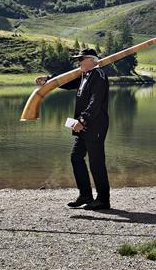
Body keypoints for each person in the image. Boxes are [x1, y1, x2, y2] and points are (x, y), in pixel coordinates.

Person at [36, 47, 110, 210]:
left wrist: (83, 120)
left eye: (81, 59)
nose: (78, 62)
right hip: (83, 125)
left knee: (96, 161)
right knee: (76, 157)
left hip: (95, 125)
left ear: (91, 60)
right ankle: (85, 195)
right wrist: (49, 79)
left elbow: (96, 102)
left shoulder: (99, 75)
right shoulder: (85, 74)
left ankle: (103, 199)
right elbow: (67, 82)